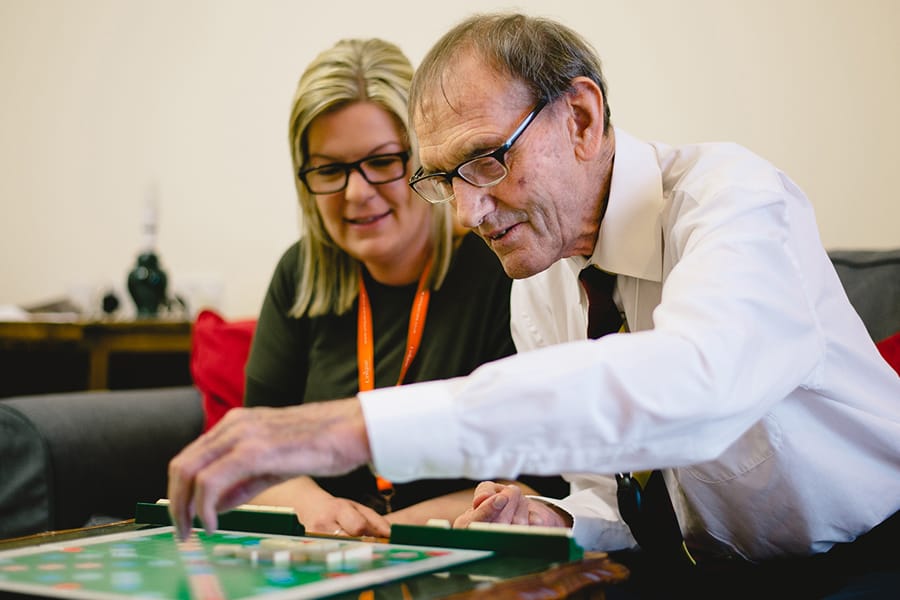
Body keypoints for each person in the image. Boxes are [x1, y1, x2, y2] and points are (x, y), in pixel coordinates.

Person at [169, 13, 900, 597]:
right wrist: (553, 517)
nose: (467, 213)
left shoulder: (737, 199)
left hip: (862, 562)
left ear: (581, 117)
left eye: (487, 159)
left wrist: (350, 428)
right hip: (692, 571)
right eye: (445, 179)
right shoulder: (542, 280)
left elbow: (694, 387)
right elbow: (614, 495)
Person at [234, 37, 562, 539]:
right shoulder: (298, 273)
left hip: (454, 552)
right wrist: (316, 507)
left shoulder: (501, 263)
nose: (356, 193)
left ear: (426, 157)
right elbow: (253, 454)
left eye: (382, 161)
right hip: (323, 550)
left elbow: (537, 481)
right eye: (330, 169)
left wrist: (384, 529)